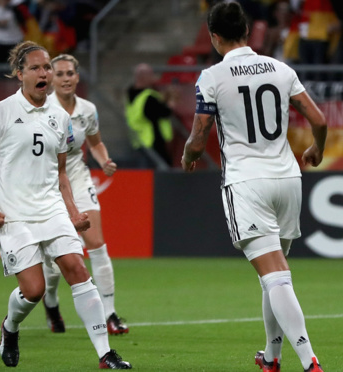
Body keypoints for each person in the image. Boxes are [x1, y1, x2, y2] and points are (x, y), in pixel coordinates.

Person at [181, 3, 327, 372]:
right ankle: (271, 358)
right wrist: (317, 148)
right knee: (274, 276)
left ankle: (310, 362)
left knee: (275, 276)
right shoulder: (281, 69)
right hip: (288, 180)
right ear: (247, 31)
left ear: (214, 36)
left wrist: (187, 158)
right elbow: (319, 119)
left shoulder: (212, 76)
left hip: (248, 182)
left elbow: (199, 137)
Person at [0, 41, 131, 369]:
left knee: (77, 269)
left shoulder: (61, 117)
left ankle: (105, 353)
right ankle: (10, 327)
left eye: (46, 67)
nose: (44, 73)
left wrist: (72, 210)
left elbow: (61, 171)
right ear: (19, 74)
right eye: (36, 68)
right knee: (34, 290)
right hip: (13, 214)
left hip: (51, 208)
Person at [41, 53, 128, 336]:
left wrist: (104, 161)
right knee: (55, 263)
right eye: (60, 74)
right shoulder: (42, 107)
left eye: (70, 73)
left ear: (78, 77)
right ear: (51, 78)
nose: (66, 78)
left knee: (97, 244)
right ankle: (51, 303)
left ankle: (111, 314)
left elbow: (96, 141)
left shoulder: (88, 109)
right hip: (46, 183)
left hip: (76, 175)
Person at [125, 63, 175, 168]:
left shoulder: (132, 96)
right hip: (152, 141)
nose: (154, 78)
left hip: (138, 141)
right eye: (151, 75)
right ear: (144, 77)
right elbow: (163, 112)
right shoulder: (148, 97)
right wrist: (170, 103)